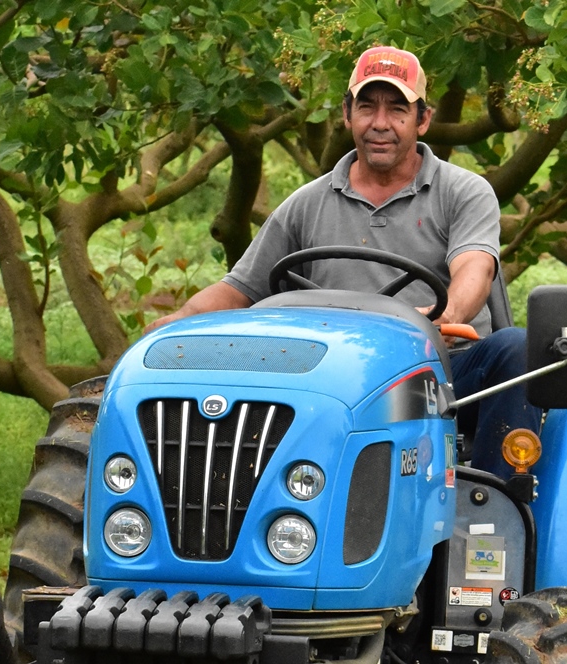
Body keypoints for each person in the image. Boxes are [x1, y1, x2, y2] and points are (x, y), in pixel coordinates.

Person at [146, 45, 541, 476]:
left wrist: (442, 317)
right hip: (330, 377)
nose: (380, 123)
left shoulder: (463, 192)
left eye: (397, 109)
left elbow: (474, 269)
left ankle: (492, 514)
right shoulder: (306, 204)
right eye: (367, 107)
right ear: (347, 113)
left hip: (437, 374)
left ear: (423, 120)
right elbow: (238, 289)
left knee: (515, 349)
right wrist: (172, 328)